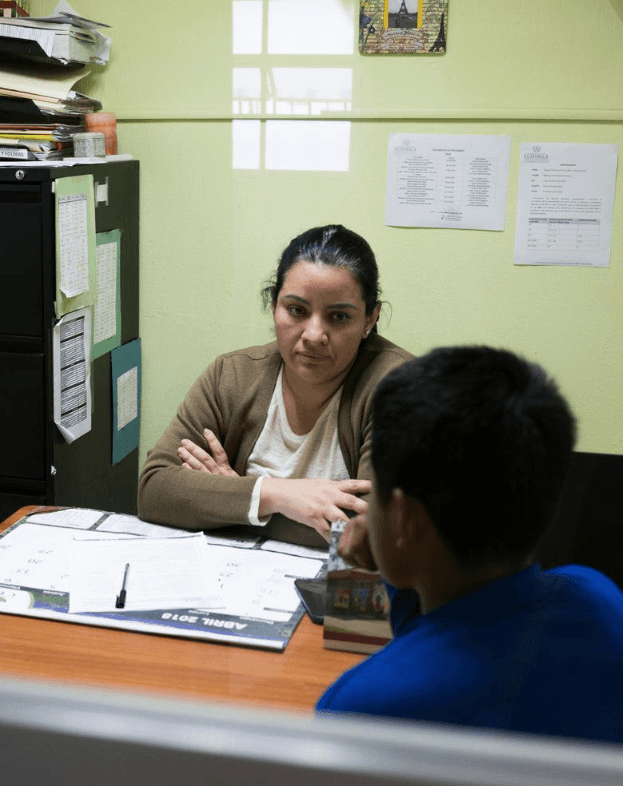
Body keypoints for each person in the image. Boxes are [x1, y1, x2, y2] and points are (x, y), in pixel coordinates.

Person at [317, 346, 623, 746]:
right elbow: (445, 630)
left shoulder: (360, 707)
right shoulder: (605, 604)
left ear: (405, 517)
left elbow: (429, 657)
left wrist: (395, 551)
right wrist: (397, 554)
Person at [137, 225, 415, 547]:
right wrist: (274, 493)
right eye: (297, 310)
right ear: (274, 306)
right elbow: (154, 489)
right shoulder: (231, 375)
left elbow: (374, 534)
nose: (313, 334)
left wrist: (232, 499)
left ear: (370, 318)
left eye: (338, 317)